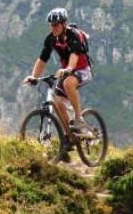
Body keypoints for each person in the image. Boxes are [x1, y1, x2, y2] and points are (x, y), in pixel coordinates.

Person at [24, 7, 93, 135]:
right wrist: (33, 77)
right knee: (57, 100)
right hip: (66, 71)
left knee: (68, 84)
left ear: (64, 24)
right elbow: (42, 59)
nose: (53, 28)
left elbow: (74, 55)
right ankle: (69, 136)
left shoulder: (73, 35)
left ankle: (78, 118)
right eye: (51, 25)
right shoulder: (50, 39)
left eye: (56, 25)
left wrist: (68, 69)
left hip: (82, 69)